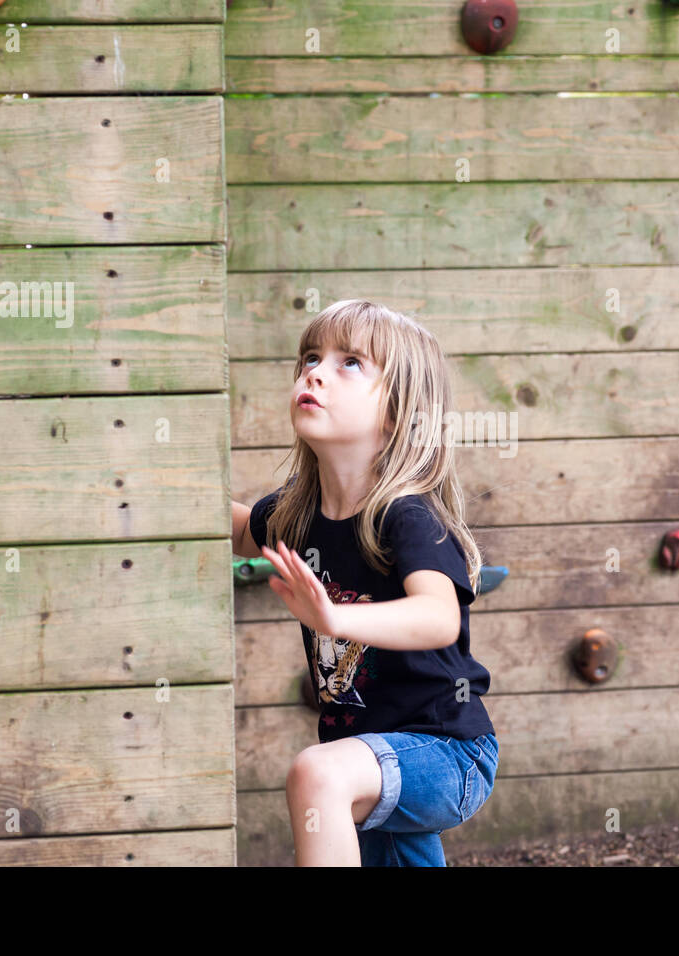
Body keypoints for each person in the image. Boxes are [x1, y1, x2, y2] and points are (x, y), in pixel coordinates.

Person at [230, 299, 498, 866]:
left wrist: (335, 619)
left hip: (447, 753)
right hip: (365, 755)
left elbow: (438, 616)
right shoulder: (295, 516)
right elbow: (231, 528)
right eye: (310, 357)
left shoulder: (408, 516)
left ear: (399, 411)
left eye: (350, 362)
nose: (315, 372)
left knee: (317, 775)